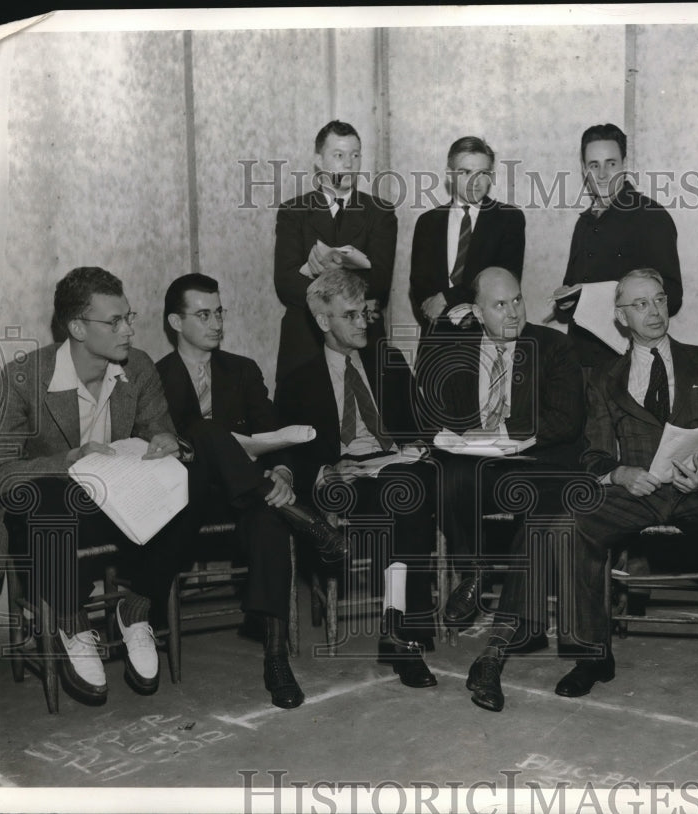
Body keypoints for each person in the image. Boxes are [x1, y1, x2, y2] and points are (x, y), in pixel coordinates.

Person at [467, 268, 698, 714]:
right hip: (635, 491)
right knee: (571, 523)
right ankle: (592, 655)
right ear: (621, 316)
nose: (654, 312)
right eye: (640, 305)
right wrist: (620, 474)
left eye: (660, 300)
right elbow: (594, 456)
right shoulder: (605, 377)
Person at [0, 267, 189, 705]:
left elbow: (160, 429)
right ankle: (72, 620)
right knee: (46, 498)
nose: (129, 330)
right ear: (77, 327)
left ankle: (136, 609)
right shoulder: (25, 376)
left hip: (118, 507)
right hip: (51, 516)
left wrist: (166, 441)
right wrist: (68, 462)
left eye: (129, 317)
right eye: (114, 322)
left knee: (189, 483)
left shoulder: (137, 367)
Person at [157, 273, 347, 709]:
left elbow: (271, 432)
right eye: (203, 314)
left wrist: (280, 471)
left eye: (219, 312)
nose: (216, 322)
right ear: (175, 321)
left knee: (269, 521)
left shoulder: (241, 370)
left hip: (246, 495)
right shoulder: (154, 377)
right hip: (187, 500)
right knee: (204, 432)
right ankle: (309, 520)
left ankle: (276, 657)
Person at [275, 268, 440, 689]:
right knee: (406, 497)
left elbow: (420, 423)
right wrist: (326, 470)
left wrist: (419, 445)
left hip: (392, 469)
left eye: (364, 313)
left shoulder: (391, 363)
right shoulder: (298, 381)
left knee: (409, 490)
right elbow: (289, 446)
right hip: (343, 481)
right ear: (324, 321)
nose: (363, 322)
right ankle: (405, 629)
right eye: (349, 315)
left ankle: (400, 631)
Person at [417, 267, 584, 639]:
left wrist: (501, 434)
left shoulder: (554, 346)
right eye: (499, 305)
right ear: (477, 314)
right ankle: (474, 574)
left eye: (517, 300)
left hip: (536, 462)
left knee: (541, 495)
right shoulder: (455, 351)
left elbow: (565, 419)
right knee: (449, 475)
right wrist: (448, 437)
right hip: (480, 467)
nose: (513, 312)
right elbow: (431, 412)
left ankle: (521, 606)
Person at [274, 120, 398, 383]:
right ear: (318, 160)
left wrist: (321, 274)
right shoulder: (293, 212)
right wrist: (350, 276)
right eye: (339, 155)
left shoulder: (380, 212)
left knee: (369, 419)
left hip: (361, 337)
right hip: (305, 339)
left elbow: (380, 281)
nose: (349, 164)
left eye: (355, 155)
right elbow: (285, 283)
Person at [554, 123, 682, 372]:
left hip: (630, 364)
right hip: (582, 363)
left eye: (610, 163)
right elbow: (571, 285)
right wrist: (566, 300)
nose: (602, 174)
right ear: (584, 170)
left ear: (624, 165)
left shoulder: (651, 216)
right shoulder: (584, 222)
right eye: (593, 165)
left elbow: (673, 297)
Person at [410, 136, 525, 328]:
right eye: (465, 172)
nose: (475, 181)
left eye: (483, 173)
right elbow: (419, 286)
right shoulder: (427, 222)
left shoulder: (509, 220)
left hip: (488, 333)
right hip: (437, 334)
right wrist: (443, 317)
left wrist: (447, 298)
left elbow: (503, 281)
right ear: (450, 174)